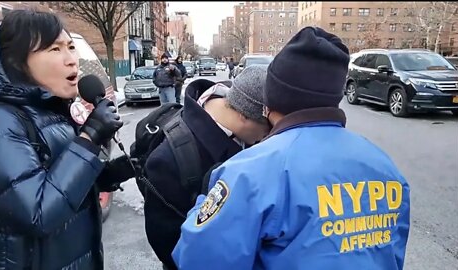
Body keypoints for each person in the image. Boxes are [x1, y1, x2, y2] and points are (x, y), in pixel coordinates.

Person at [172, 27, 410, 270]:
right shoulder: (385, 167)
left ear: (270, 101)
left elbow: (197, 260)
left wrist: (205, 200)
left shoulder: (248, 173)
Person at [0, 10, 132, 269]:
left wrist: (116, 171)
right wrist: (90, 136)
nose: (72, 60)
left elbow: (65, 186)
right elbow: (38, 212)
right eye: (54, 49)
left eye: (71, 47)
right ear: (16, 62)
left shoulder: (51, 112)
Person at [142, 65, 271, 270]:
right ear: (244, 115)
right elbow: (168, 247)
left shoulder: (236, 104)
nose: (270, 135)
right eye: (267, 127)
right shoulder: (170, 159)